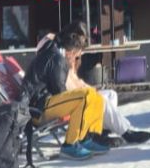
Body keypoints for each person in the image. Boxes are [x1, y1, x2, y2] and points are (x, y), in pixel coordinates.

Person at [20, 28, 108, 160]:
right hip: (38, 109)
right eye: (77, 55)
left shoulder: (53, 55)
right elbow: (59, 90)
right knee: (85, 95)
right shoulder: (56, 59)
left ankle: (88, 137)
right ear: (71, 52)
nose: (76, 58)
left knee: (96, 96)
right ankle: (70, 145)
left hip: (44, 104)